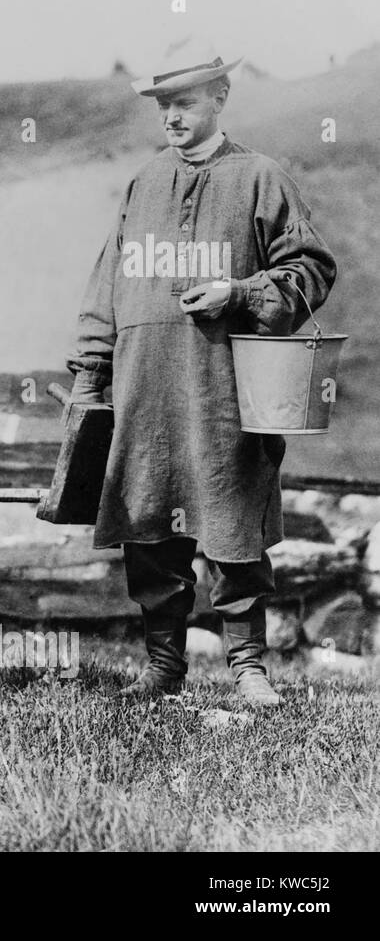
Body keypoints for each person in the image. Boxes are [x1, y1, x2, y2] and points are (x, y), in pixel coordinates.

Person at [67, 51, 337, 707]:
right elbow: (107, 287)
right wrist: (90, 373)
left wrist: (239, 292)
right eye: (163, 106)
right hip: (146, 387)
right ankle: (164, 666)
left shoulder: (259, 178)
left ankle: (248, 667)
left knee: (232, 518)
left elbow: (312, 268)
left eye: (184, 102)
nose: (172, 117)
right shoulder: (143, 185)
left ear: (219, 96)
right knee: (149, 522)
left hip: (225, 389)